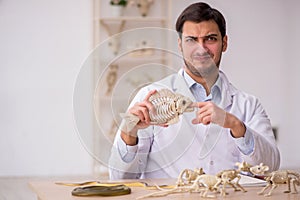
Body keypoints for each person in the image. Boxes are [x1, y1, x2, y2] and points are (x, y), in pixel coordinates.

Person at [108, 2, 280, 179]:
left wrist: (235, 125)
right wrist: (129, 134)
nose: (201, 48)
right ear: (180, 45)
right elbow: (119, 179)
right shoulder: (149, 98)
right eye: (191, 40)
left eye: (210, 39)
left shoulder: (248, 105)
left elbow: (270, 167)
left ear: (225, 43)